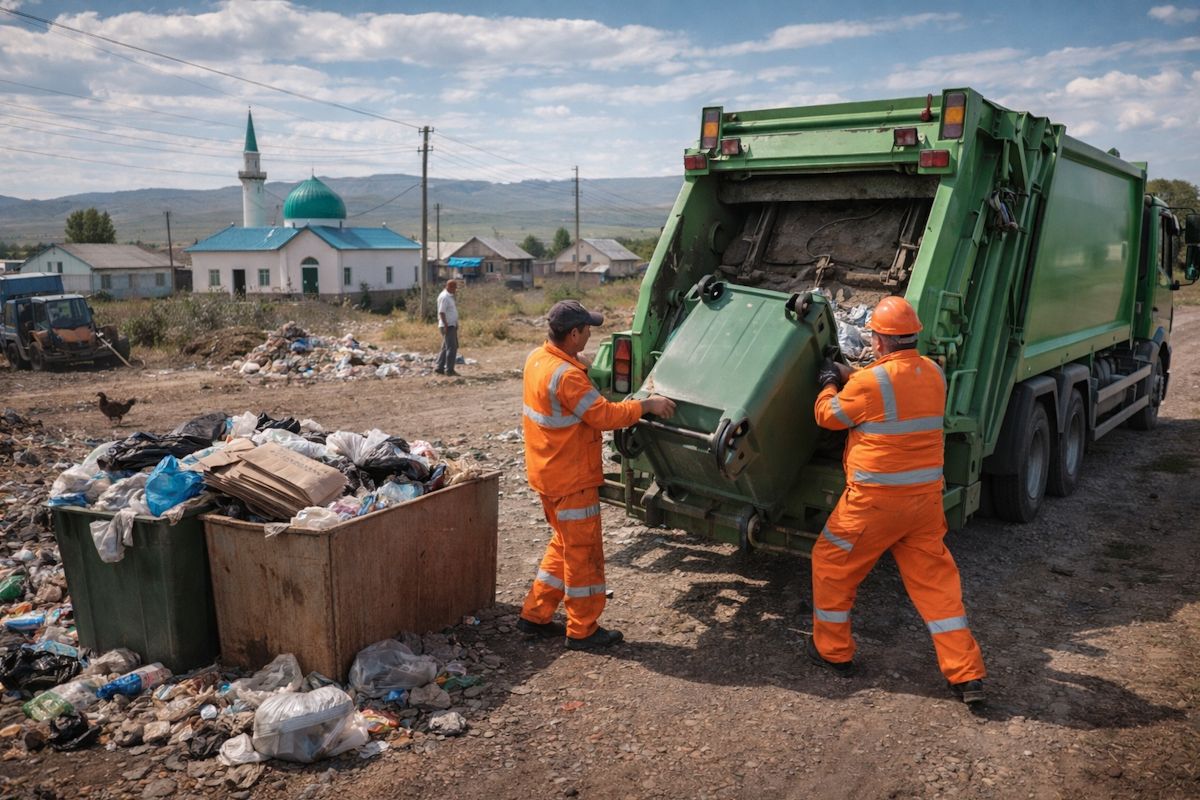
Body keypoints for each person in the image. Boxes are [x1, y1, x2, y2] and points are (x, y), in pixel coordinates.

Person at [809, 295, 987, 705]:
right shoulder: (934, 374)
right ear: (912, 337)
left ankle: (834, 653)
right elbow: (894, 386)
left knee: (831, 562)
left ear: (878, 340)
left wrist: (829, 382)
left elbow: (829, 416)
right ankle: (967, 674)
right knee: (937, 587)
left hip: (874, 505)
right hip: (923, 504)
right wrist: (851, 374)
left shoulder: (870, 383)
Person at [518, 299, 677, 650]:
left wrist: (579, 365)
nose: (591, 333)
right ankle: (583, 630)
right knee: (583, 555)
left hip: (546, 472)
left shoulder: (538, 359)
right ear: (574, 334)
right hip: (571, 478)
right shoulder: (568, 376)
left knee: (564, 544)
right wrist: (647, 405)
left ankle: (534, 615)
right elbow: (604, 416)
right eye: (587, 329)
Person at [435, 279, 459, 376]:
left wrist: (456, 322)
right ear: (449, 287)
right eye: (454, 288)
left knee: (446, 347)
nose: (455, 290)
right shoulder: (445, 297)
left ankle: (439, 367)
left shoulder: (449, 296)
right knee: (452, 348)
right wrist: (446, 325)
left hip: (451, 324)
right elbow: (441, 312)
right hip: (448, 325)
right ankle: (449, 370)